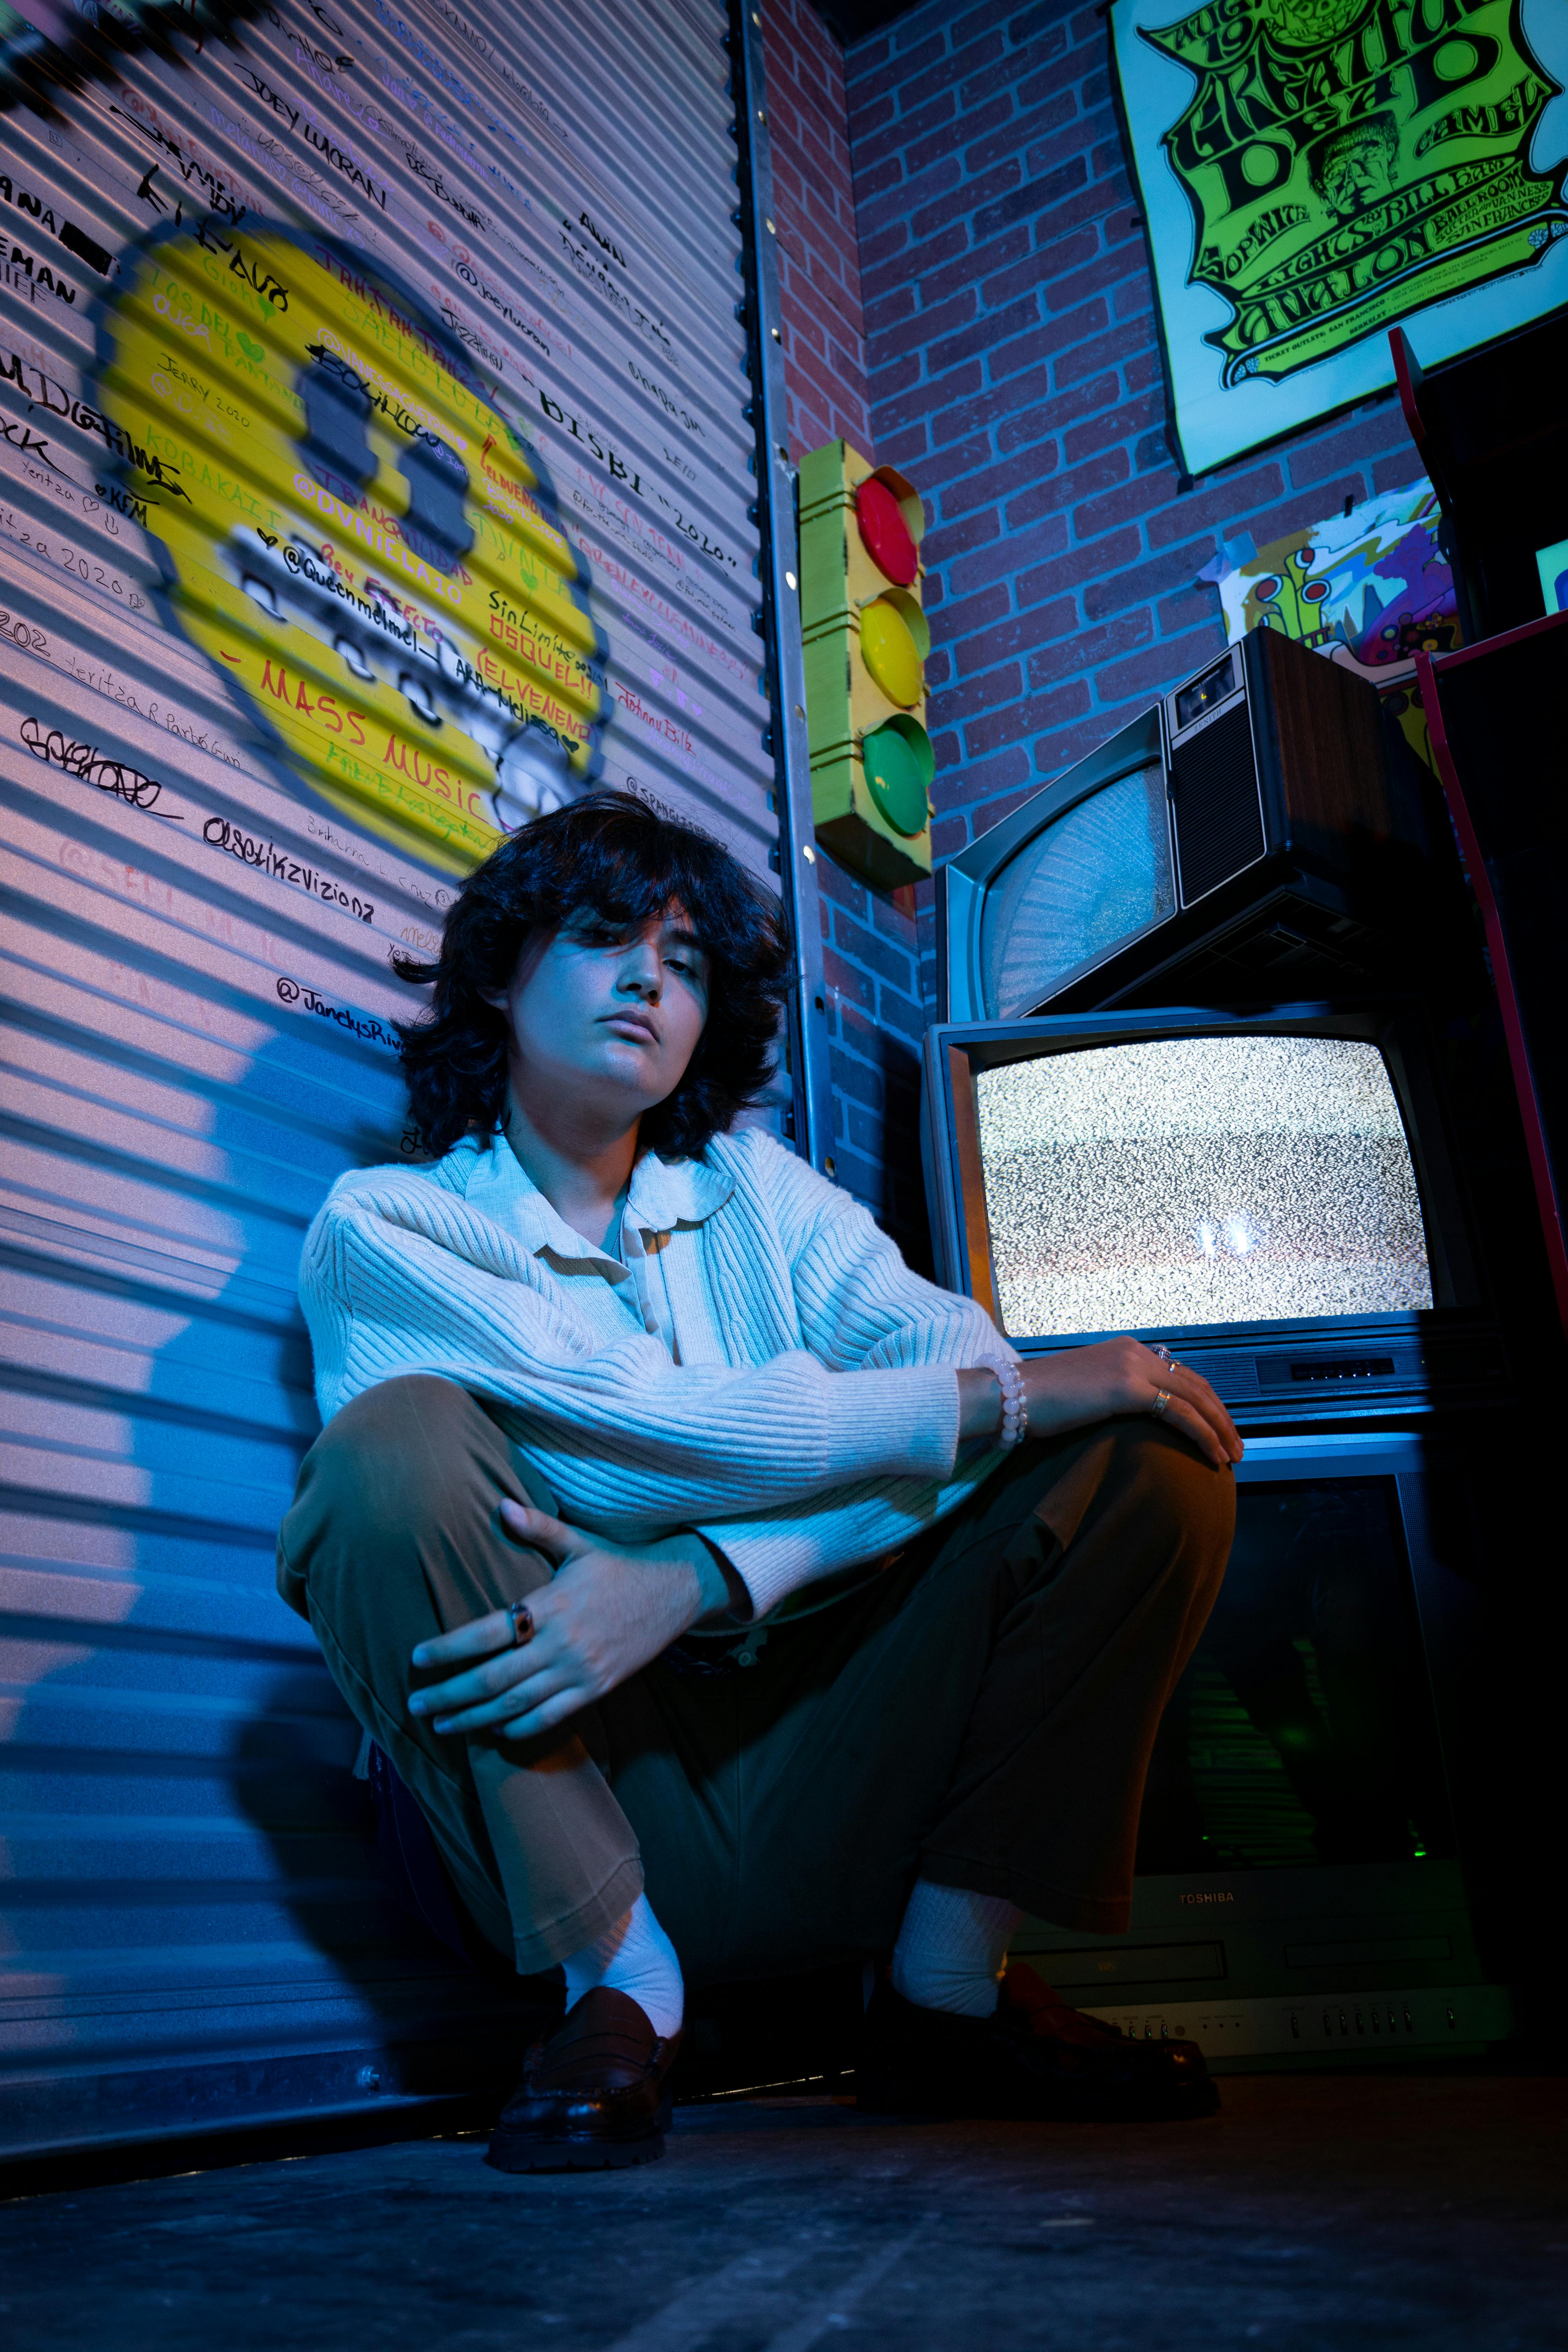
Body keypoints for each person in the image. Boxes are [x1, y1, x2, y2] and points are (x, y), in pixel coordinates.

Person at [276, 792, 1241, 2172]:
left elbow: (953, 1374)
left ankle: (943, 1995)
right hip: (567, 1774)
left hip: (826, 1757)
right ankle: (618, 1988)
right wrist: (994, 1399)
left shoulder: (761, 1193)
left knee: (1142, 1456)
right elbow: (624, 1432)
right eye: (604, 937)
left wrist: (696, 1577)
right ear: (498, 970)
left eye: (684, 961)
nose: (646, 981)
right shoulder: (388, 1226)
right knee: (394, 1450)